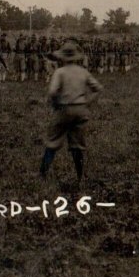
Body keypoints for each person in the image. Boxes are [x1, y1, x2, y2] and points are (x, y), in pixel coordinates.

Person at [40, 41, 103, 182]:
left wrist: (56, 103)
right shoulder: (83, 71)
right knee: (77, 146)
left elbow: (52, 91)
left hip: (64, 109)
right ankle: (80, 177)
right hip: (81, 109)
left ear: (62, 57)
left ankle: (42, 175)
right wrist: (87, 102)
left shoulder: (60, 72)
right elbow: (98, 88)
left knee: (52, 142)